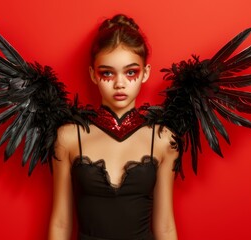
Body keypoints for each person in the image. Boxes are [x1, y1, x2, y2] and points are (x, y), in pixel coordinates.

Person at [48, 14, 179, 240]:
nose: (120, 83)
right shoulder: (68, 137)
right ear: (93, 75)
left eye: (131, 72)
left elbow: (165, 226)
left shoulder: (163, 139)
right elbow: (61, 222)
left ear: (145, 73)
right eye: (107, 73)